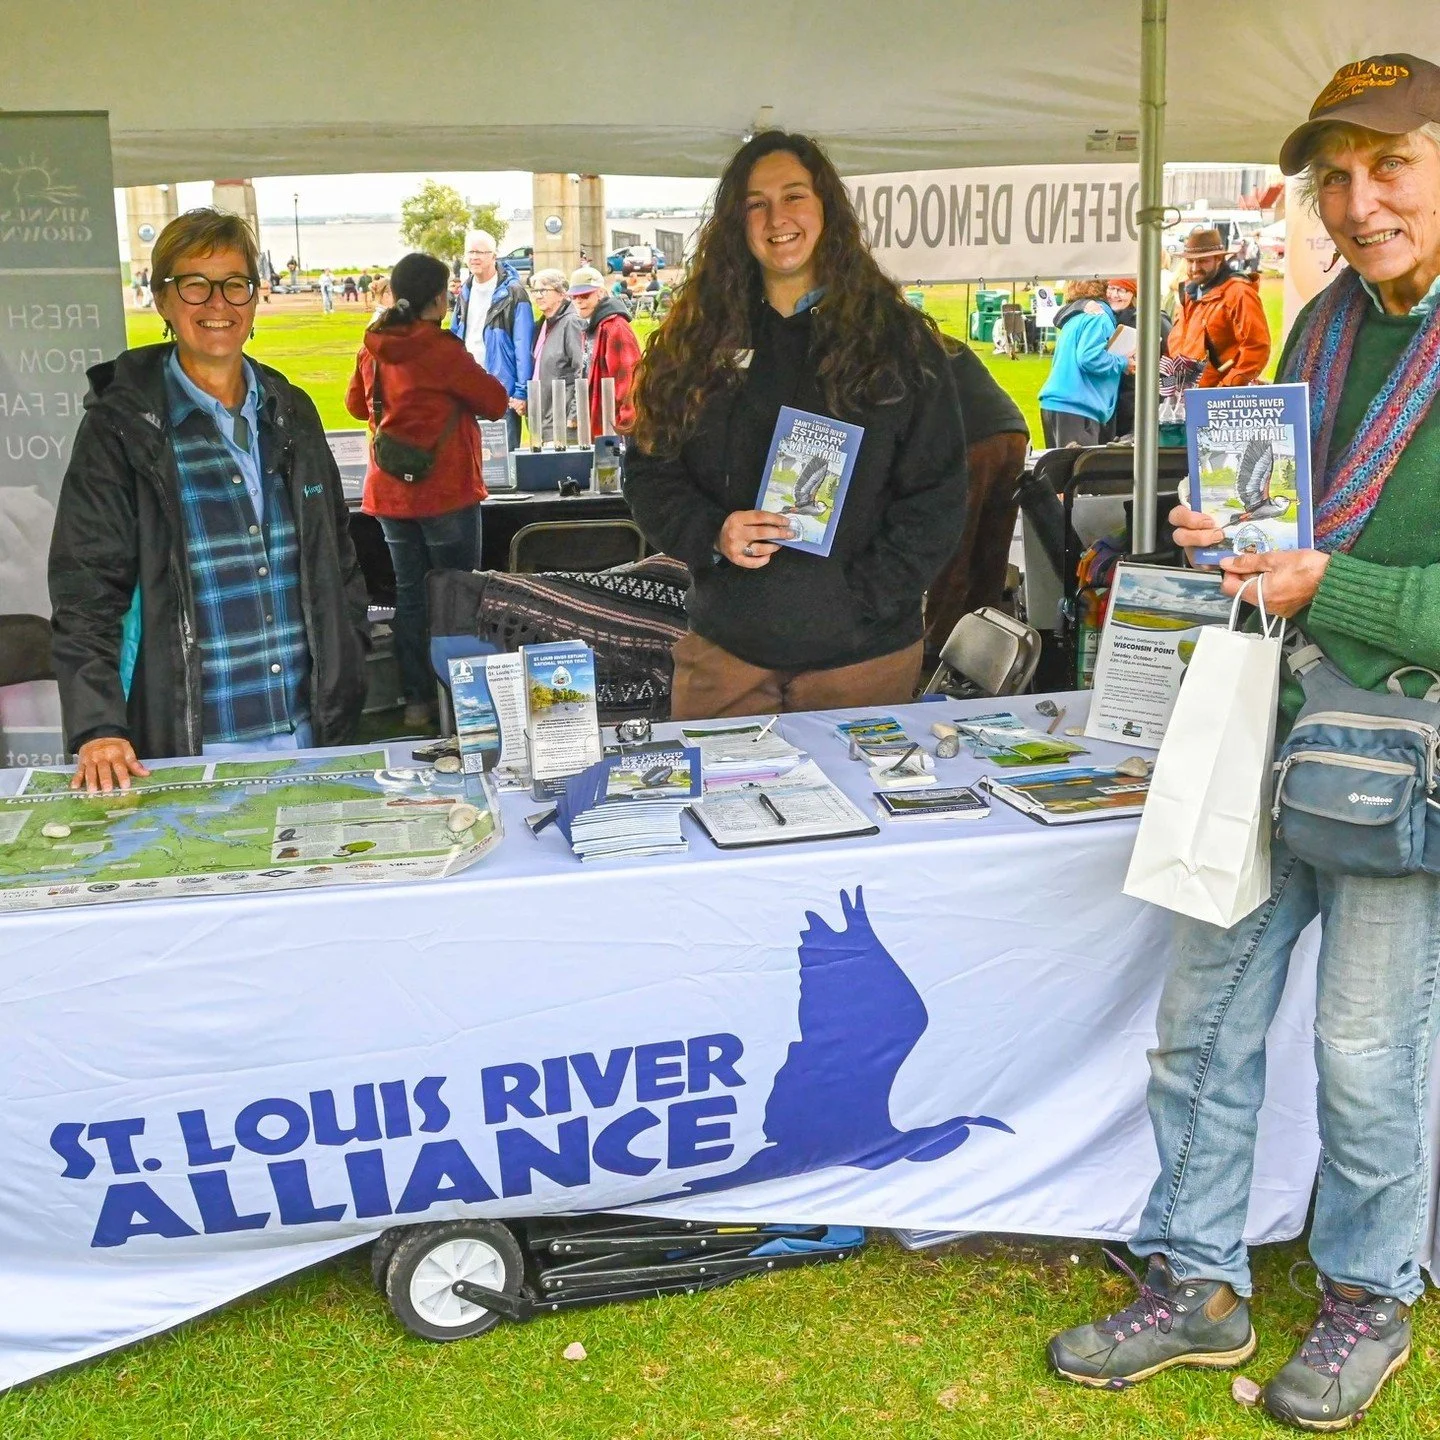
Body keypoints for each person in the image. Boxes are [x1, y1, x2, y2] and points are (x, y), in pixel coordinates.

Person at [1048, 53, 1440, 1432]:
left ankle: (1368, 1297)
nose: (1359, 202)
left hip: (1397, 758)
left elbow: (1344, 568)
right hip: (1260, 724)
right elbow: (1289, 519)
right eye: (1335, 176)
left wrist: (1332, 584)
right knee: (1199, 1032)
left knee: (1366, 1057)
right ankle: (1198, 1283)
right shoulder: (1322, 324)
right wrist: (1235, 532)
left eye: (1391, 166)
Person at [624, 130, 967, 720]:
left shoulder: (897, 342)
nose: (776, 218)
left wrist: (863, 598)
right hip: (728, 653)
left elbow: (937, 493)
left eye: (794, 196)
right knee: (715, 783)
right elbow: (651, 472)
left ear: (825, 207)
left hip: (864, 659)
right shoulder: (696, 343)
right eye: (755, 203)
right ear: (736, 222)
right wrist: (713, 533)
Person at [48, 207, 369, 794]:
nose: (217, 303)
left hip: (310, 736)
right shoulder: (122, 429)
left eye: (234, 284)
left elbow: (337, 557)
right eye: (194, 284)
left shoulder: (292, 412)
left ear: (254, 297)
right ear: (162, 300)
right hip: (190, 748)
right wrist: (98, 726)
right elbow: (85, 590)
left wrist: (349, 656)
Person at [345, 252, 509, 731]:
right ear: (438, 299)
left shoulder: (373, 347)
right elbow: (496, 402)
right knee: (457, 597)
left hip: (391, 496)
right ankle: (463, 705)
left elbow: (356, 406)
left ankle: (417, 702)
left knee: (410, 598)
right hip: (447, 492)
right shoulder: (441, 350)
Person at [448, 229, 534, 452]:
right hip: (467, 389)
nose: (474, 257)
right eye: (470, 252)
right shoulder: (465, 291)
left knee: (502, 460)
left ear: (494, 256)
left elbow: (523, 345)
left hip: (501, 391)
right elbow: (455, 337)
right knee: (468, 457)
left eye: (480, 252)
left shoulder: (514, 293)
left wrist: (521, 391)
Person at [1164, 225, 1271, 388]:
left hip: (1216, 395)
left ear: (1219, 259)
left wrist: (1226, 387)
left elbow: (1257, 347)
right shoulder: (1190, 292)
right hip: (1186, 391)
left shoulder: (1239, 293)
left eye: (1202, 261)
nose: (1194, 268)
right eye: (1190, 261)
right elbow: (1180, 341)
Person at [1036, 278, 1128, 447]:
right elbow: (1089, 358)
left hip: (1056, 404)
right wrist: (1124, 362)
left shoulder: (1075, 317)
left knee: (1059, 463)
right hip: (1078, 407)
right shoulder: (1098, 316)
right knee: (1080, 463)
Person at [568, 264, 642, 441]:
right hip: (598, 427)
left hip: (615, 430)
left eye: (584, 295)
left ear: (600, 293)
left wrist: (626, 426)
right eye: (574, 297)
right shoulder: (593, 326)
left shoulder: (615, 327)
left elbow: (630, 380)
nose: (578, 301)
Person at [1103, 275, 1172, 440]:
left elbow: (1172, 357)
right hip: (1116, 399)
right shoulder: (1107, 318)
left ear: (1133, 294)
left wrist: (1164, 395)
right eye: (1111, 288)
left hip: (1143, 398)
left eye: (1122, 290)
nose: (1114, 295)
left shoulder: (1153, 318)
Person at [528, 267, 585, 445]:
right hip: (541, 420)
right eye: (535, 291)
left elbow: (582, 370)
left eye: (544, 290)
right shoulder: (542, 325)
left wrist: (575, 413)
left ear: (561, 294)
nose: (538, 296)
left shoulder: (572, 322)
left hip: (563, 421)